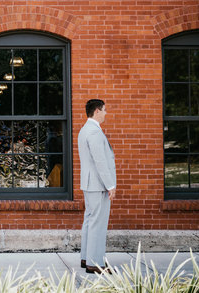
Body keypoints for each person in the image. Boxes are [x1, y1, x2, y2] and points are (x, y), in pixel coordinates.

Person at [78, 99, 116, 274]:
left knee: (90, 220)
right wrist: (110, 185)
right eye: (105, 110)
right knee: (97, 223)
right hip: (97, 184)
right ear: (97, 111)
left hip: (90, 183)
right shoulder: (93, 132)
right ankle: (95, 263)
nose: (106, 113)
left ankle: (86, 257)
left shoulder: (85, 129)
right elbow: (100, 161)